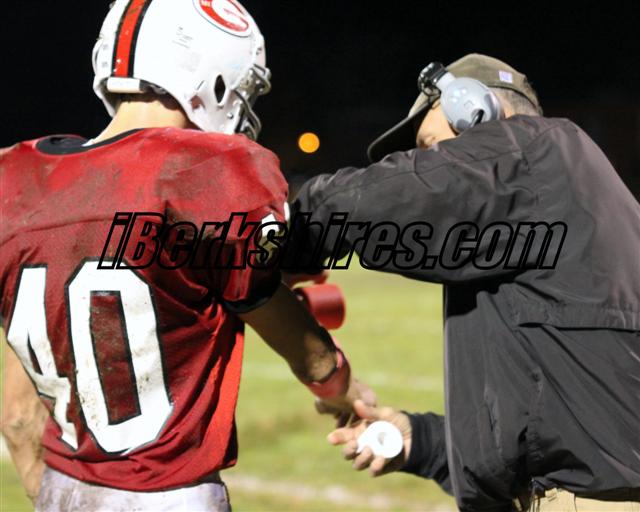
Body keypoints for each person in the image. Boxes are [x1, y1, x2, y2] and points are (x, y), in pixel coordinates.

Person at [0, 1, 374, 510]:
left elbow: (17, 416)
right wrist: (339, 385)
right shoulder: (203, 172)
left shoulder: (18, 180)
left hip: (61, 488)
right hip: (168, 494)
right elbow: (296, 341)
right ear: (211, 74)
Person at [287, 54, 640, 511]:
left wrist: (281, 234)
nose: (423, 162)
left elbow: (374, 202)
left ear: (476, 108)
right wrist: (422, 441)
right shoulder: (553, 197)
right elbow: (557, 420)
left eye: (431, 146)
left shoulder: (537, 151)